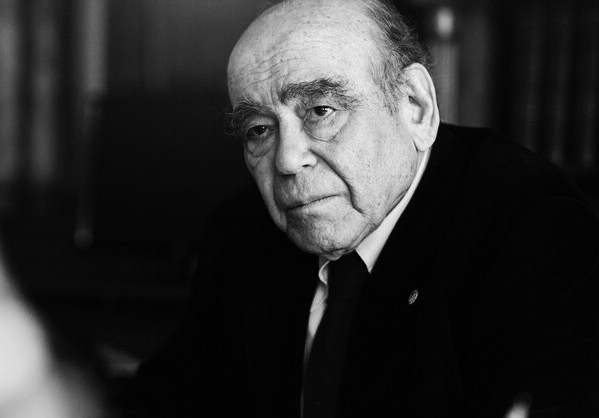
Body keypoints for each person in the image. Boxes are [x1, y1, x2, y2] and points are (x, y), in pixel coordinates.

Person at [124, 0, 599, 417]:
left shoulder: (537, 231)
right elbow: (169, 398)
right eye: (259, 130)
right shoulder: (240, 230)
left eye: (321, 111)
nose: (287, 161)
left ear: (414, 106)